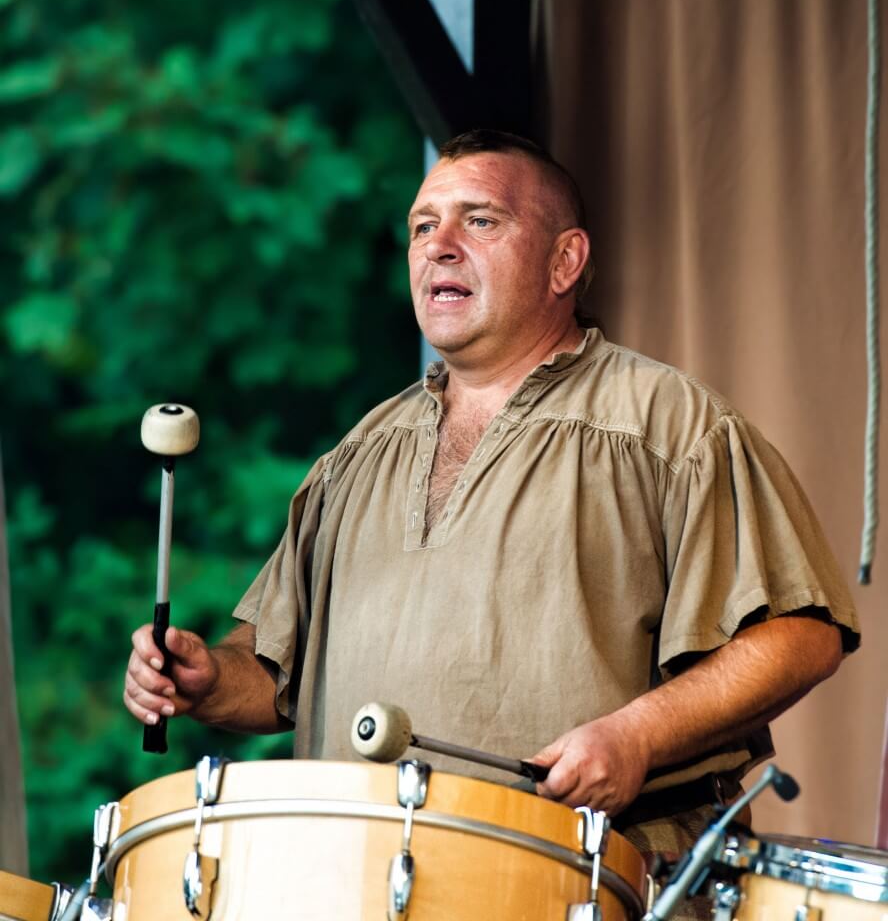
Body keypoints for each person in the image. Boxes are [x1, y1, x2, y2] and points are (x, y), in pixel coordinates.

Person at [124, 130, 859, 915]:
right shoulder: (356, 455)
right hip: (355, 886)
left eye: (479, 221)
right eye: (421, 225)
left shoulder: (673, 426)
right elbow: (275, 680)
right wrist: (205, 677)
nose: (438, 246)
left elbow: (800, 632)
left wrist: (637, 737)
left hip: (578, 887)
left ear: (564, 262)